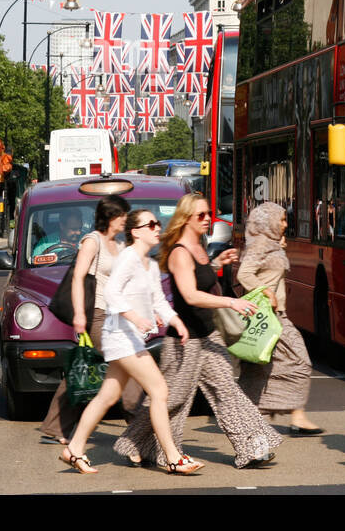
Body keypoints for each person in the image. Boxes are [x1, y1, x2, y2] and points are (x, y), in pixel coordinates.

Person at [114, 194, 281, 470]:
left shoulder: (200, 246)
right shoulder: (180, 252)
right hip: (185, 339)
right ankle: (133, 442)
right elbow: (190, 295)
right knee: (174, 397)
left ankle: (252, 447)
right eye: (201, 216)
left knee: (226, 390)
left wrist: (217, 264)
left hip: (208, 334)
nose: (207, 220)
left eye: (208, 214)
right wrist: (231, 301)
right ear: (186, 219)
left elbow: (199, 280)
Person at [61, 209, 202, 475]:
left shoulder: (148, 263)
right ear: (136, 232)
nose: (157, 227)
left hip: (130, 338)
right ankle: (172, 457)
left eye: (158, 223)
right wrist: (134, 316)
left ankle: (74, 449)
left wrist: (176, 321)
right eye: (151, 224)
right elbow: (112, 292)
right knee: (159, 390)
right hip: (121, 337)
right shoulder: (127, 258)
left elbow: (159, 300)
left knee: (108, 396)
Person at [40, 197, 135, 445]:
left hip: (117, 316)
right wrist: (80, 315)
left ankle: (54, 427)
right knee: (127, 366)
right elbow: (78, 278)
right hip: (98, 315)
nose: (126, 219)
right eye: (123, 215)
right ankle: (139, 428)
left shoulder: (120, 243)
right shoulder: (92, 242)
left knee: (83, 369)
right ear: (111, 217)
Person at [234, 202, 321, 435]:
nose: (285, 224)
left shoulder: (269, 244)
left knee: (259, 369)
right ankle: (288, 413)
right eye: (282, 220)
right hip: (269, 316)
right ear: (269, 221)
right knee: (300, 361)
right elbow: (244, 273)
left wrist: (278, 249)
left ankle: (287, 414)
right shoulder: (262, 244)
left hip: (274, 315)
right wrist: (266, 292)